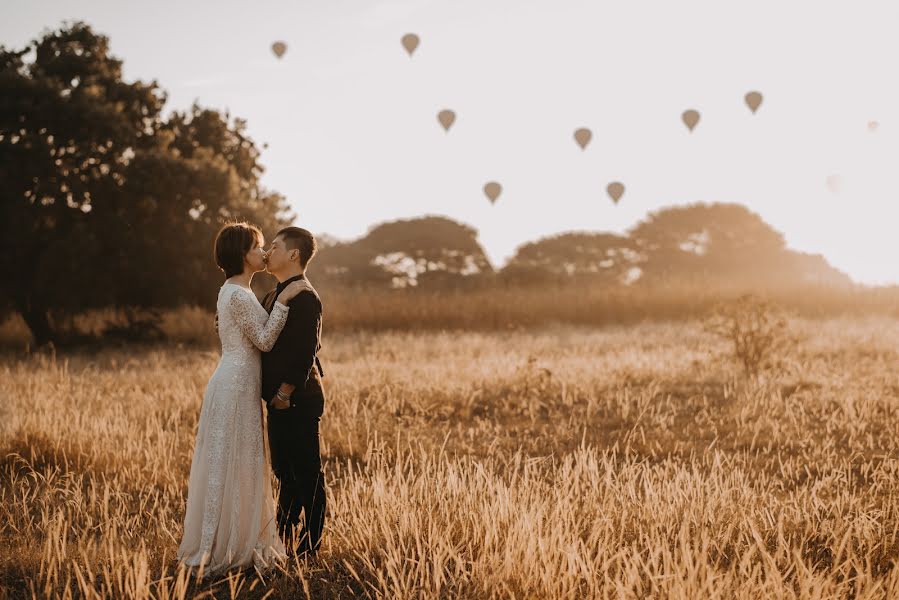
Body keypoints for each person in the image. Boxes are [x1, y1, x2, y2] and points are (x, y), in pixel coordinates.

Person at [177, 221, 310, 576]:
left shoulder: (232, 291)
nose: (264, 253)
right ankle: (229, 544)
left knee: (233, 461)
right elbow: (265, 341)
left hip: (234, 381)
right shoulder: (238, 294)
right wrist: (283, 301)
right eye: (257, 247)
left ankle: (228, 537)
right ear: (242, 255)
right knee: (234, 461)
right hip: (236, 384)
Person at [261, 227, 327, 557]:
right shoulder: (275, 293)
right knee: (284, 472)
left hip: (298, 398)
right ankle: (285, 538)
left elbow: (304, 350)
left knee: (307, 473)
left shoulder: (304, 296)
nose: (267, 251)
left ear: (293, 254)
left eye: (274, 246)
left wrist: (285, 392)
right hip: (277, 400)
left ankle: (310, 547)